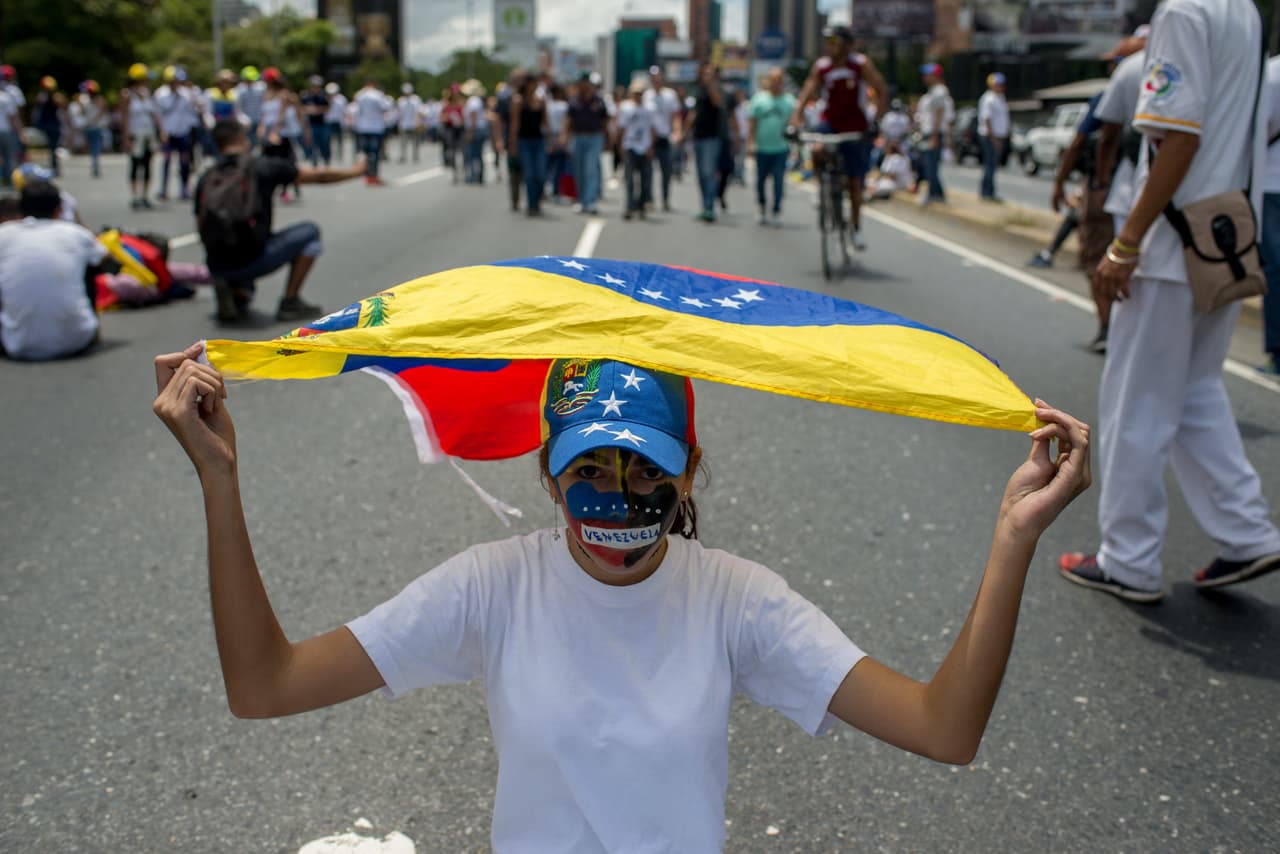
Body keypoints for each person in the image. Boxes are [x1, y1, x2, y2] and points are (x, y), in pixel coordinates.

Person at [150, 346, 1090, 852]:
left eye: (644, 468)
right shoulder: (494, 586)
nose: (616, 494)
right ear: (549, 480)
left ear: (688, 482)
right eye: (588, 467)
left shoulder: (736, 602)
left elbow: (942, 729)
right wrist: (218, 482)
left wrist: (1013, 538)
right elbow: (265, 685)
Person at [1061, 0, 1280, 600]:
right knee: (1195, 392)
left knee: (1136, 406)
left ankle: (1127, 561)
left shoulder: (1183, 12)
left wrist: (1125, 244)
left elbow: (1178, 140)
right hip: (1225, 235)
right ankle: (1246, 533)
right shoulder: (1244, 11)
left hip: (1169, 244)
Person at [195, 120, 367, 323]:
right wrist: (356, 171)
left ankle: (234, 287)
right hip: (253, 257)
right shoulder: (262, 166)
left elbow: (200, 225)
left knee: (236, 252)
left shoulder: (207, 177)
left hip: (216, 263)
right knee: (310, 232)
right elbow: (320, 176)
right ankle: (290, 301)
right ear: (243, 138)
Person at [790, 26, 890, 250]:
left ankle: (856, 228)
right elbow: (807, 92)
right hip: (830, 123)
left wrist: (876, 122)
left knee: (855, 183)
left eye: (835, 40)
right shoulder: (822, 67)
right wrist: (795, 120)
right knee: (816, 150)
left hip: (856, 127)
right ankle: (821, 188)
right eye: (828, 40)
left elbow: (882, 90)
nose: (831, 45)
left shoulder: (860, 64)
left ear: (847, 43)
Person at [1088, 29, 1151, 354]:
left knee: (1122, 275)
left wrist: (1100, 182)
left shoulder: (1132, 69)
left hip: (1132, 190)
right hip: (1179, 204)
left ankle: (1117, 335)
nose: (1111, 67)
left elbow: (1108, 135)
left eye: (1115, 61)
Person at [0, 180, 105, 360]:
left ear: (21, 210)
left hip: (15, 343)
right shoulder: (75, 233)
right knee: (89, 265)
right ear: (58, 210)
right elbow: (103, 259)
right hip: (78, 339)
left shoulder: (4, 233)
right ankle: (84, 319)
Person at [1047, 93, 1112, 353]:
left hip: (1106, 198)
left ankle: (1108, 329)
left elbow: (1081, 141)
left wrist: (1098, 183)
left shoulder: (1118, 89)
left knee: (1099, 262)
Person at [749, 67, 796, 227]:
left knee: (778, 181)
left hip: (781, 148)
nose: (775, 84)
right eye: (773, 80)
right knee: (760, 181)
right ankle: (761, 206)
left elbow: (794, 123)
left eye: (778, 80)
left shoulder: (789, 101)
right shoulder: (759, 100)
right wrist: (750, 143)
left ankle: (776, 210)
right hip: (762, 148)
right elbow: (752, 124)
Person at [1256, 56, 1279, 375]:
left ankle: (1277, 350)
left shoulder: (1272, 73)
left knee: (1274, 268)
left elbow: (1259, 131)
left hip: (1272, 182)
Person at [119, 62, 164, 210]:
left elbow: (154, 115)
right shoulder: (127, 95)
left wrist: (161, 130)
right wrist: (125, 138)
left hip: (148, 135)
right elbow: (124, 117)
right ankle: (135, 197)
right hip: (134, 134)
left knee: (147, 165)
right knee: (135, 165)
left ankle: (145, 196)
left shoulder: (147, 94)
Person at [155, 66, 202, 201]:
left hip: (183, 131)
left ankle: (184, 189)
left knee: (185, 162)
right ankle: (164, 189)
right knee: (167, 161)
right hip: (168, 132)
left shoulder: (186, 94)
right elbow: (158, 115)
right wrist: (161, 131)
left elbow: (195, 110)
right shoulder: (160, 94)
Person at [564, 72, 607, 215]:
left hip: (594, 137)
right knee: (579, 171)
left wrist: (607, 139)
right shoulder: (574, 101)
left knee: (591, 169)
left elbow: (604, 120)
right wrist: (564, 136)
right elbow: (568, 120)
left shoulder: (598, 100)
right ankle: (582, 201)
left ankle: (591, 201)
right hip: (578, 137)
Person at [690, 63, 726, 223]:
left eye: (710, 74)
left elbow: (718, 102)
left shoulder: (717, 89)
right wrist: (683, 132)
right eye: (705, 74)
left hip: (712, 138)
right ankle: (705, 205)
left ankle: (710, 207)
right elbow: (694, 112)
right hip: (698, 136)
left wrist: (712, 85)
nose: (706, 77)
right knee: (700, 175)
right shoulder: (698, 90)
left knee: (708, 172)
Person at [643, 67, 682, 212]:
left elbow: (676, 115)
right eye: (653, 78)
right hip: (650, 139)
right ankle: (648, 199)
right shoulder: (646, 95)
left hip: (665, 137)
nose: (656, 80)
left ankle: (665, 199)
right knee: (648, 171)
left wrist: (677, 132)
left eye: (658, 78)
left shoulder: (670, 95)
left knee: (666, 171)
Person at [914, 62, 953, 208]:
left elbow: (939, 113)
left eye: (927, 74)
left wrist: (935, 135)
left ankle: (936, 194)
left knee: (931, 165)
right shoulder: (931, 92)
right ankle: (935, 193)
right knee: (928, 165)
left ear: (935, 75)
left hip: (933, 133)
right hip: (929, 132)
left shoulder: (939, 91)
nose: (924, 77)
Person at [509, 75, 549, 217]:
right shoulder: (518, 101)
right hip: (524, 141)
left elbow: (545, 123)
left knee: (541, 174)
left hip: (538, 141)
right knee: (529, 174)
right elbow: (515, 124)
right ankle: (532, 205)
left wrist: (549, 141)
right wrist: (513, 145)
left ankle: (537, 201)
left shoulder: (541, 101)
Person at [618, 79, 655, 220]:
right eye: (635, 93)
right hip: (630, 145)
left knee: (644, 179)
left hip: (644, 146)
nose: (637, 96)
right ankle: (629, 206)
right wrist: (620, 146)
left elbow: (652, 129)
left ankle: (641, 206)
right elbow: (622, 128)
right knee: (629, 179)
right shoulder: (626, 108)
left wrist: (651, 146)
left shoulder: (648, 109)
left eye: (640, 93)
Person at [351, 78, 390, 185]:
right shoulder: (377, 95)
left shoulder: (359, 95)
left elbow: (355, 110)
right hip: (376, 127)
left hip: (362, 127)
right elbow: (385, 107)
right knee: (375, 153)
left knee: (365, 152)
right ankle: (373, 175)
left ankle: (366, 174)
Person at [977, 73, 1010, 202]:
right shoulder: (988, 99)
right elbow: (987, 119)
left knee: (993, 165)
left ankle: (989, 192)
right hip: (990, 136)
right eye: (998, 84)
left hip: (998, 136)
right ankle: (987, 193)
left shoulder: (1000, 98)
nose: (1001, 87)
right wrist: (994, 137)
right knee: (990, 164)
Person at [69, 80, 109, 178]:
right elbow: (81, 112)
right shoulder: (84, 100)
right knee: (93, 146)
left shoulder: (98, 100)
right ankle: (94, 162)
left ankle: (95, 163)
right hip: (89, 126)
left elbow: (102, 112)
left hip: (95, 126)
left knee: (95, 146)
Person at [32, 76, 65, 175]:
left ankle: (54, 167)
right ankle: (53, 167)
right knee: (52, 147)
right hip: (49, 125)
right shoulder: (43, 96)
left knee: (53, 147)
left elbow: (61, 104)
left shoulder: (52, 96)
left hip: (52, 125)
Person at [461, 79, 489, 184]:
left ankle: (473, 176)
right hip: (480, 129)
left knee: (472, 154)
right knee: (479, 154)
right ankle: (480, 175)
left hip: (475, 129)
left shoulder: (472, 101)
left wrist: (470, 132)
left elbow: (473, 117)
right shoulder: (478, 100)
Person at [301, 76, 332, 167]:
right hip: (311, 124)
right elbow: (302, 108)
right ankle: (314, 162)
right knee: (313, 144)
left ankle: (326, 160)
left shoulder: (323, 97)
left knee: (324, 143)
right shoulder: (306, 97)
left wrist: (317, 110)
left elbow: (327, 108)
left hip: (322, 124)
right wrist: (309, 110)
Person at [0, 68, 22, 187]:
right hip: (6, 130)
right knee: (9, 156)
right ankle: (9, 180)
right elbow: (13, 116)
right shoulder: (7, 96)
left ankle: (3, 179)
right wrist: (20, 132)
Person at [236, 66, 266, 147]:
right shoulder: (240, 89)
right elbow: (238, 107)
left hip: (260, 119)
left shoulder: (261, 87)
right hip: (246, 121)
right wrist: (243, 119)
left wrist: (263, 121)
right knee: (248, 142)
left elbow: (264, 104)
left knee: (261, 142)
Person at [396, 82, 422, 164]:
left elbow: (418, 111)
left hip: (414, 123)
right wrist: (399, 123)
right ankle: (403, 156)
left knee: (415, 141)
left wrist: (418, 122)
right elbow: (399, 113)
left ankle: (415, 155)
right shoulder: (401, 101)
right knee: (403, 141)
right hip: (404, 124)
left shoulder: (416, 99)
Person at [324, 82, 348, 163]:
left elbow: (344, 111)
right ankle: (330, 154)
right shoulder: (325, 98)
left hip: (338, 121)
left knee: (339, 138)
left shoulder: (341, 99)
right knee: (328, 139)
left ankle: (340, 153)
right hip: (329, 121)